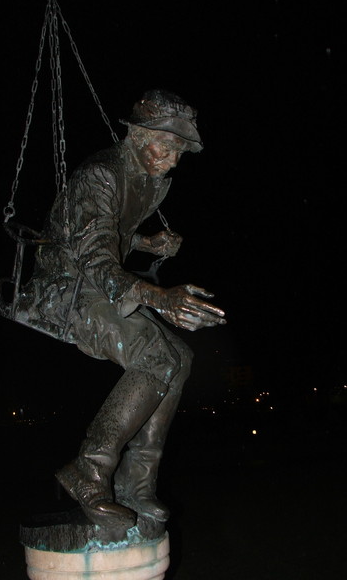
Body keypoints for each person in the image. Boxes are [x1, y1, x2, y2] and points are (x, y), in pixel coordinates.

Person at [16, 89, 226, 530]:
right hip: (65, 289)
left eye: (179, 152)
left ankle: (137, 484)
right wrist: (159, 297)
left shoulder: (150, 178)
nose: (172, 160)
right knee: (155, 355)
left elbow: (110, 234)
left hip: (94, 283)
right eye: (166, 146)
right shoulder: (100, 174)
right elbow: (93, 256)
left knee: (179, 358)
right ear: (136, 135)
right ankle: (89, 472)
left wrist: (147, 242)